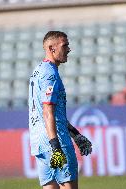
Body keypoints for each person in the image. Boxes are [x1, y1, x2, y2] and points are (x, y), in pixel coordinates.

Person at [28, 31, 92, 189]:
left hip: (39, 143)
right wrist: (56, 146)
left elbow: (52, 113)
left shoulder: (38, 71)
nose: (69, 49)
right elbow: (48, 112)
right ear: (51, 48)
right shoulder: (50, 75)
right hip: (56, 141)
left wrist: (76, 134)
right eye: (65, 45)